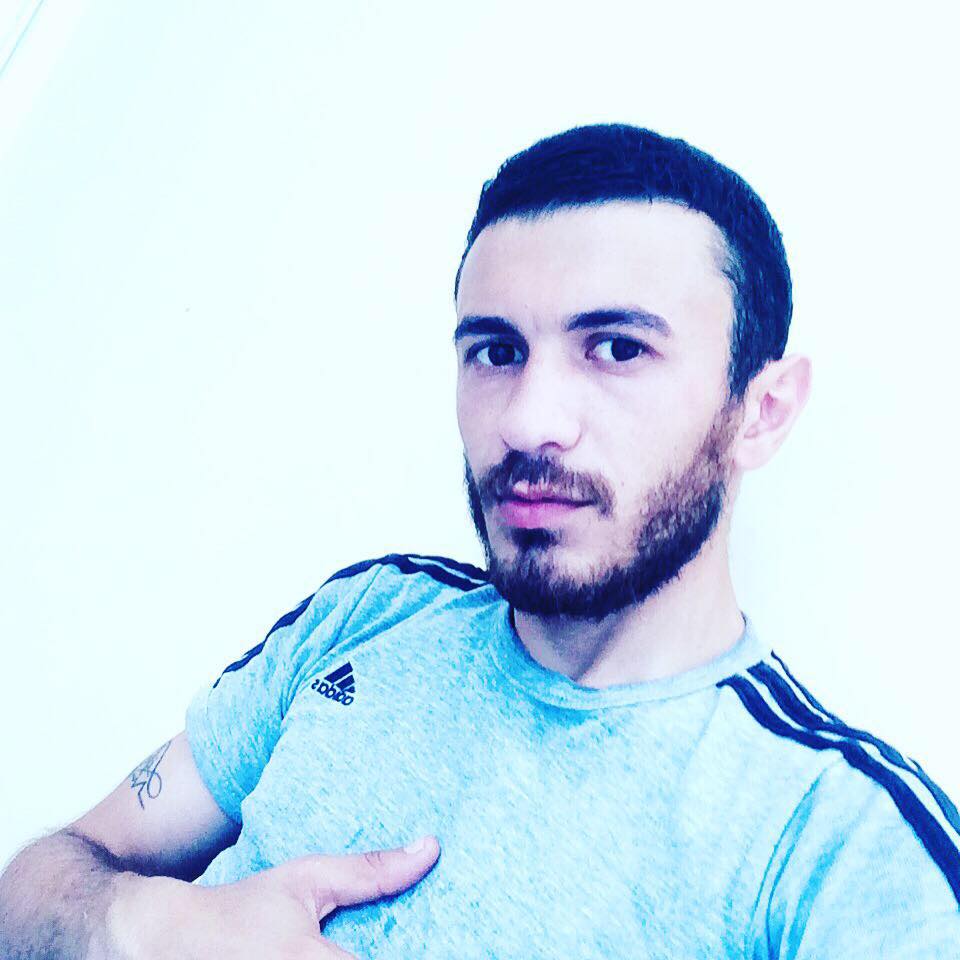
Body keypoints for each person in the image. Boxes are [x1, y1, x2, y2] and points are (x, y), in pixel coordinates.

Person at [2, 123, 957, 959]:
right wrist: (154, 927)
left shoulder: (839, 843)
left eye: (618, 348)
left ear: (762, 411)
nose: (529, 420)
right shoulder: (368, 616)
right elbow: (33, 889)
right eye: (496, 351)